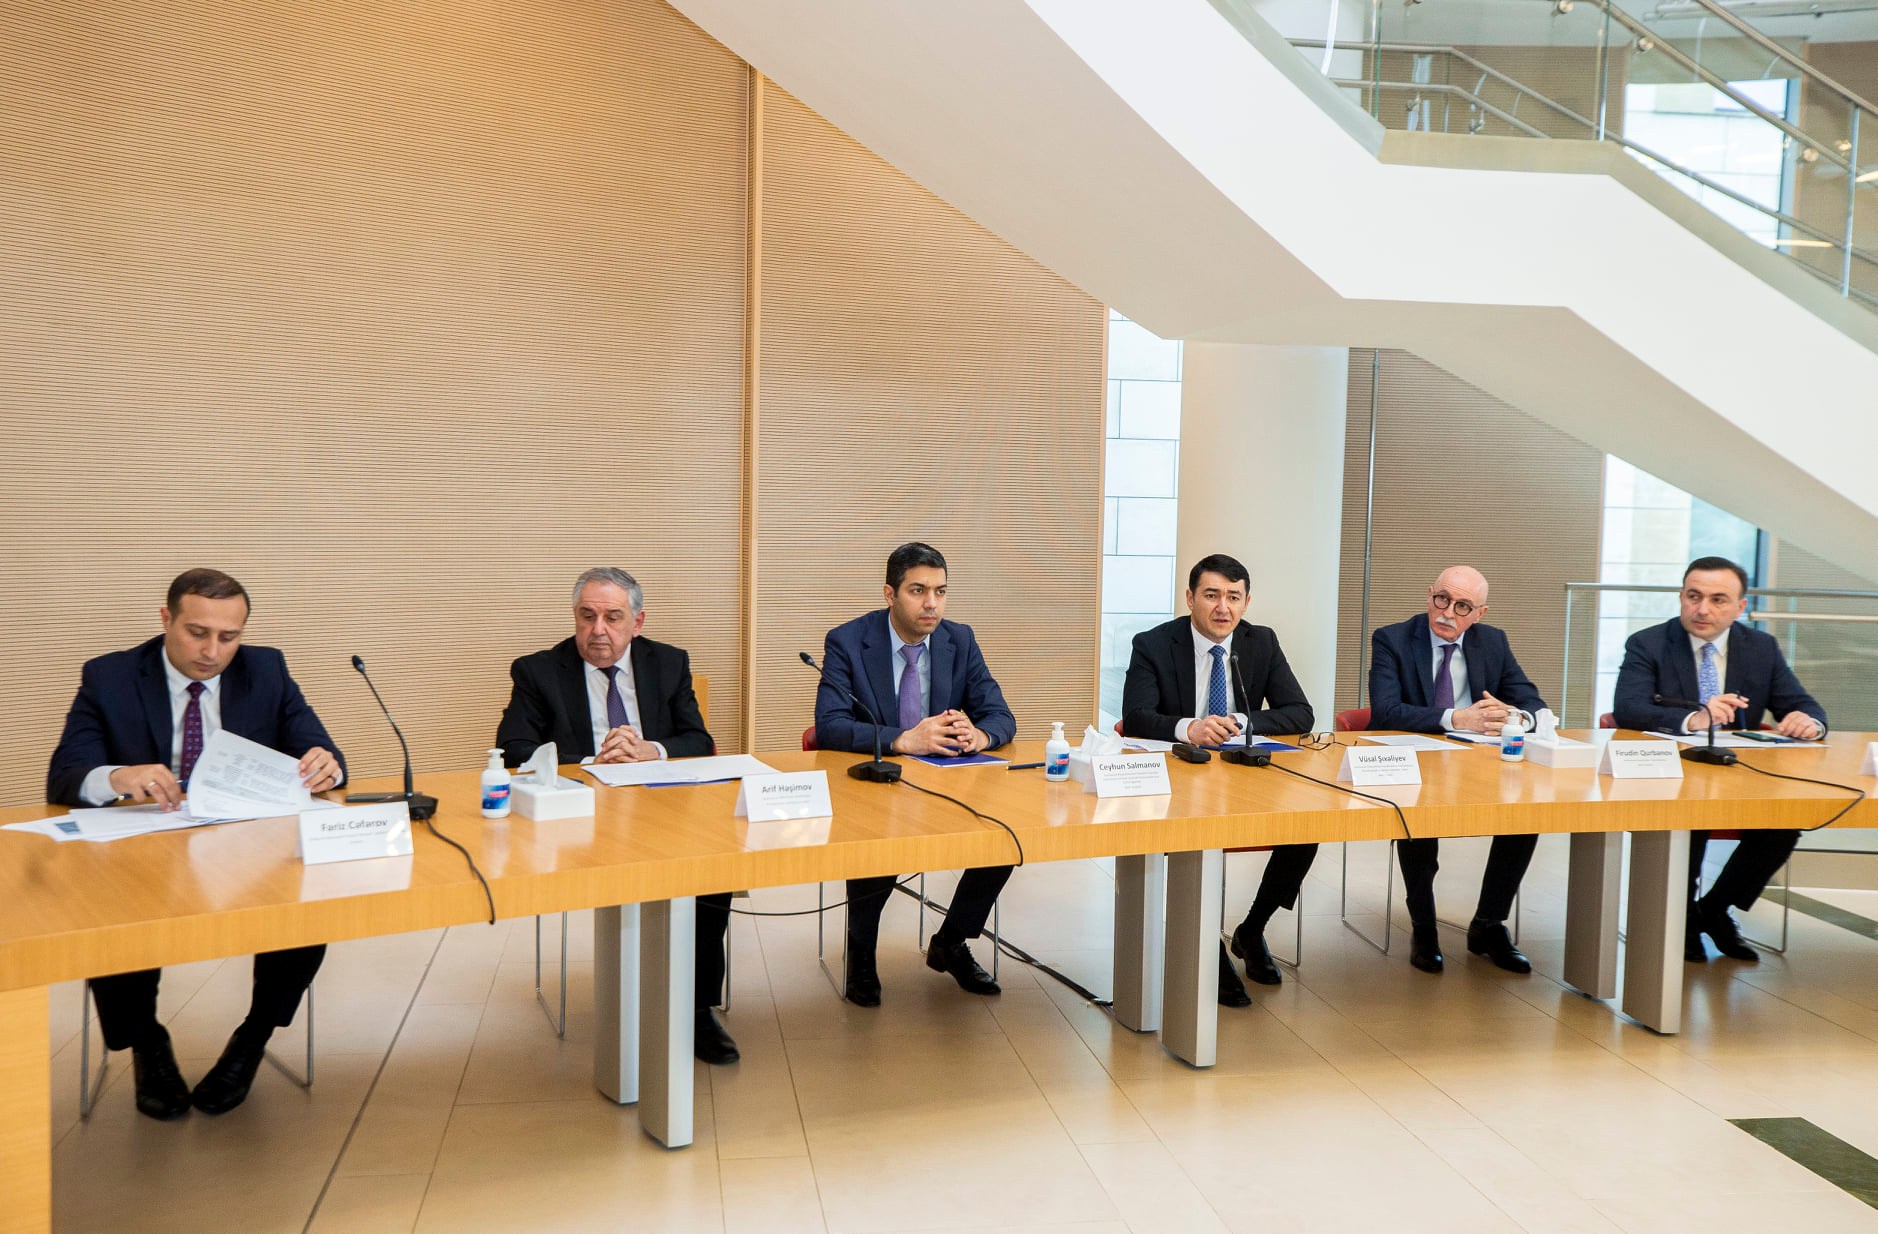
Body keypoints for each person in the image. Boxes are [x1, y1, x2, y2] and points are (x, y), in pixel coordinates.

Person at [47, 568, 345, 1120]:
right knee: (110, 908)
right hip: (145, 848)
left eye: (229, 637)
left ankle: (253, 1038)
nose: (212, 651)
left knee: (307, 899)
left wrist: (326, 765)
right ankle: (146, 1041)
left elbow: (321, 750)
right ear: (167, 619)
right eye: (197, 633)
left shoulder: (266, 669)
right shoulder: (110, 676)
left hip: (243, 844)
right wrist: (116, 777)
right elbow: (65, 776)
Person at [494, 567, 738, 1063]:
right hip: (580, 818)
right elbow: (514, 749)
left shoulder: (668, 663)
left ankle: (696, 1009)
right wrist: (593, 761)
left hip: (662, 810)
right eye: (587, 617)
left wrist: (651, 749)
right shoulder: (538, 671)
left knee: (713, 870)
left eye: (612, 617)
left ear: (637, 622)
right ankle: (626, 1001)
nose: (598, 630)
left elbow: (699, 740)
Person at [814, 542, 1017, 1006]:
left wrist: (980, 735)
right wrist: (903, 740)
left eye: (940, 592)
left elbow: (1002, 716)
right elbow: (829, 727)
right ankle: (861, 952)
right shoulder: (848, 641)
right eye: (918, 591)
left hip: (944, 783)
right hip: (875, 784)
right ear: (890, 594)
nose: (931, 604)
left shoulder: (959, 639)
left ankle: (952, 940)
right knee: (878, 842)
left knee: (1003, 837)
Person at [1120, 554, 1315, 1005]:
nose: (1223, 608)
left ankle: (1253, 928)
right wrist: (1188, 727)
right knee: (1197, 839)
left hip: (1245, 777)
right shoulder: (1153, 644)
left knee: (1306, 825)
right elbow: (1135, 717)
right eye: (1211, 596)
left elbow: (1300, 713)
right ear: (1190, 598)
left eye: (1233, 597)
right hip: (1179, 778)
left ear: (1246, 602)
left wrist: (1242, 721)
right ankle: (1206, 946)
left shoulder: (1260, 641)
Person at [1612, 555, 1826, 963]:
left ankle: (1712, 909)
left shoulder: (1760, 647)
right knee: (1691, 817)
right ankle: (1679, 917)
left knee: (1784, 822)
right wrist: (1694, 719)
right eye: (1693, 596)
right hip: (1671, 772)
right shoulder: (1649, 643)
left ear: (1740, 606)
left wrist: (1808, 721)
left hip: (1739, 774)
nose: (1703, 609)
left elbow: (1801, 704)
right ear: (1681, 597)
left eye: (1718, 599)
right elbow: (1628, 708)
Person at [1369, 566, 1545, 976]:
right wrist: (1456, 718)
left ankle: (1489, 924)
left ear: (1480, 613)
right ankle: (1424, 927)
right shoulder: (1393, 638)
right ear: (1429, 594)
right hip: (1417, 760)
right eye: (1442, 599)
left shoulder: (1493, 641)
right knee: (1416, 817)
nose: (1448, 612)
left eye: (1463, 606)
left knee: (1525, 814)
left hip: (1480, 763)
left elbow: (1532, 702)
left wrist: (1515, 716)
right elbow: (1386, 711)